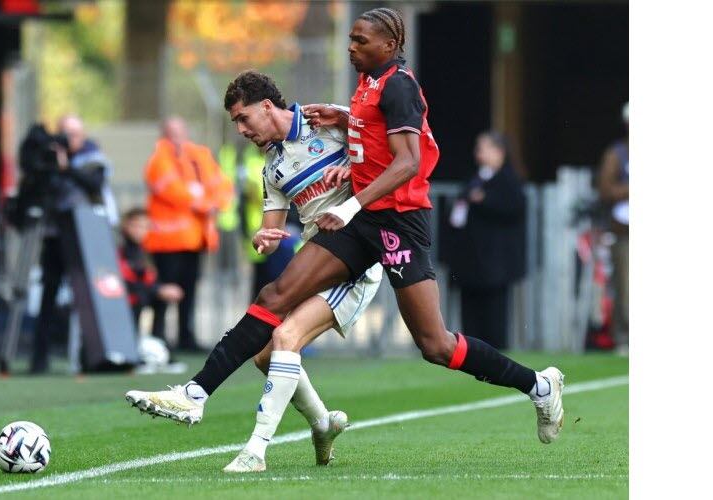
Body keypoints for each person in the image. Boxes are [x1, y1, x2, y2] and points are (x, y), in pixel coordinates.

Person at [125, 7, 564, 461]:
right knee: (275, 297)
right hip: (360, 223)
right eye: (350, 40)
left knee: (435, 344)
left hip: (398, 221)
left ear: (389, 46)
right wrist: (343, 127)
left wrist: (351, 197)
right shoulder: (364, 89)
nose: (350, 47)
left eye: (359, 40)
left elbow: (409, 161)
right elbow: (366, 139)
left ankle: (539, 385)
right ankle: (197, 394)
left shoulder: (399, 85)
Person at [129, 70, 383, 472]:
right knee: (266, 356)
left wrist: (353, 168)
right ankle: (322, 424)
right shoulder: (273, 166)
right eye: (235, 123)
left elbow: (384, 147)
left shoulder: (328, 124)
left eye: (243, 118)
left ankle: (253, 448)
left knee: (283, 333)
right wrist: (266, 236)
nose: (241, 129)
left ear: (267, 107)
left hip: (354, 260)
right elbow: (274, 225)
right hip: (319, 256)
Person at [27, 114, 112, 374]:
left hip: (85, 237)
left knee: (90, 296)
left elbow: (93, 183)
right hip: (55, 235)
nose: (69, 139)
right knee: (48, 294)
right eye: (65, 133)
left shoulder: (93, 158)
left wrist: (67, 168)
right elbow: (36, 187)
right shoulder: (49, 158)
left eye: (74, 134)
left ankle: (92, 356)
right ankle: (39, 358)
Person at [142, 118, 234, 352]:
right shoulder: (159, 159)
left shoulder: (199, 155)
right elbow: (171, 189)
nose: (177, 136)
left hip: (196, 238)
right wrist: (204, 203)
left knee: (190, 289)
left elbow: (221, 183)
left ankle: (186, 337)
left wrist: (217, 202)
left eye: (180, 131)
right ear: (164, 134)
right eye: (172, 132)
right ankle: (158, 337)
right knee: (165, 291)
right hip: (168, 241)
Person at [444, 131, 527, 350]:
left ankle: (496, 355)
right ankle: (472, 353)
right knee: (470, 313)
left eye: (483, 148)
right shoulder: (475, 178)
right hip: (471, 261)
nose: (478, 153)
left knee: (494, 314)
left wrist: (485, 201)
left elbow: (515, 209)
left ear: (499, 152)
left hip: (495, 262)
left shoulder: (508, 180)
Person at [597, 102, 629, 354]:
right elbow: (606, 189)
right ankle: (623, 337)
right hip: (625, 230)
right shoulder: (616, 154)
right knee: (625, 286)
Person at [117, 208, 184, 328]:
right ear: (125, 226)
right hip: (124, 299)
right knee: (142, 297)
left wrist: (161, 289)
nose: (139, 231)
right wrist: (157, 290)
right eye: (135, 225)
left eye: (144, 227)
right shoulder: (119, 251)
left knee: (161, 298)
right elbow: (123, 282)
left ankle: (157, 338)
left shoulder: (146, 253)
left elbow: (151, 278)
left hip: (142, 295)